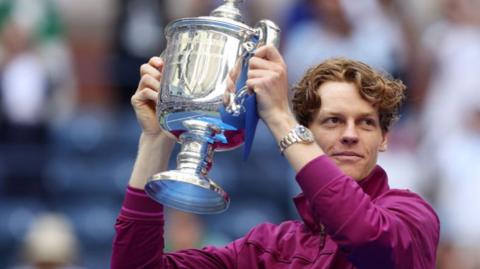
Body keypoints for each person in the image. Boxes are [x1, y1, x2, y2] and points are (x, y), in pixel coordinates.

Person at [111, 45, 439, 268]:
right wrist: (156, 139)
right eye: (333, 120)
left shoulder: (412, 216)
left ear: (384, 139)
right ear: (307, 133)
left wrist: (280, 117)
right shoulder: (269, 247)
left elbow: (364, 235)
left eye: (366, 123)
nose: (350, 134)